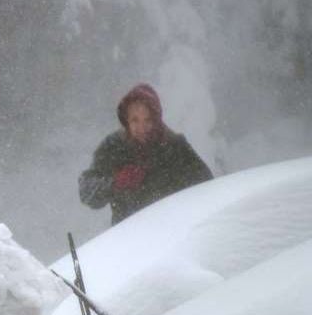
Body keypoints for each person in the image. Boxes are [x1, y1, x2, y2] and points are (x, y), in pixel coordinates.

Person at [79, 83, 213, 226]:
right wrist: (115, 183)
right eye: (135, 120)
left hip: (173, 231)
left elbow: (207, 185)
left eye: (148, 120)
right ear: (126, 121)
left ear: (156, 120)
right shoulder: (114, 146)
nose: (142, 128)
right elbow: (86, 192)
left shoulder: (174, 146)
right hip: (127, 234)